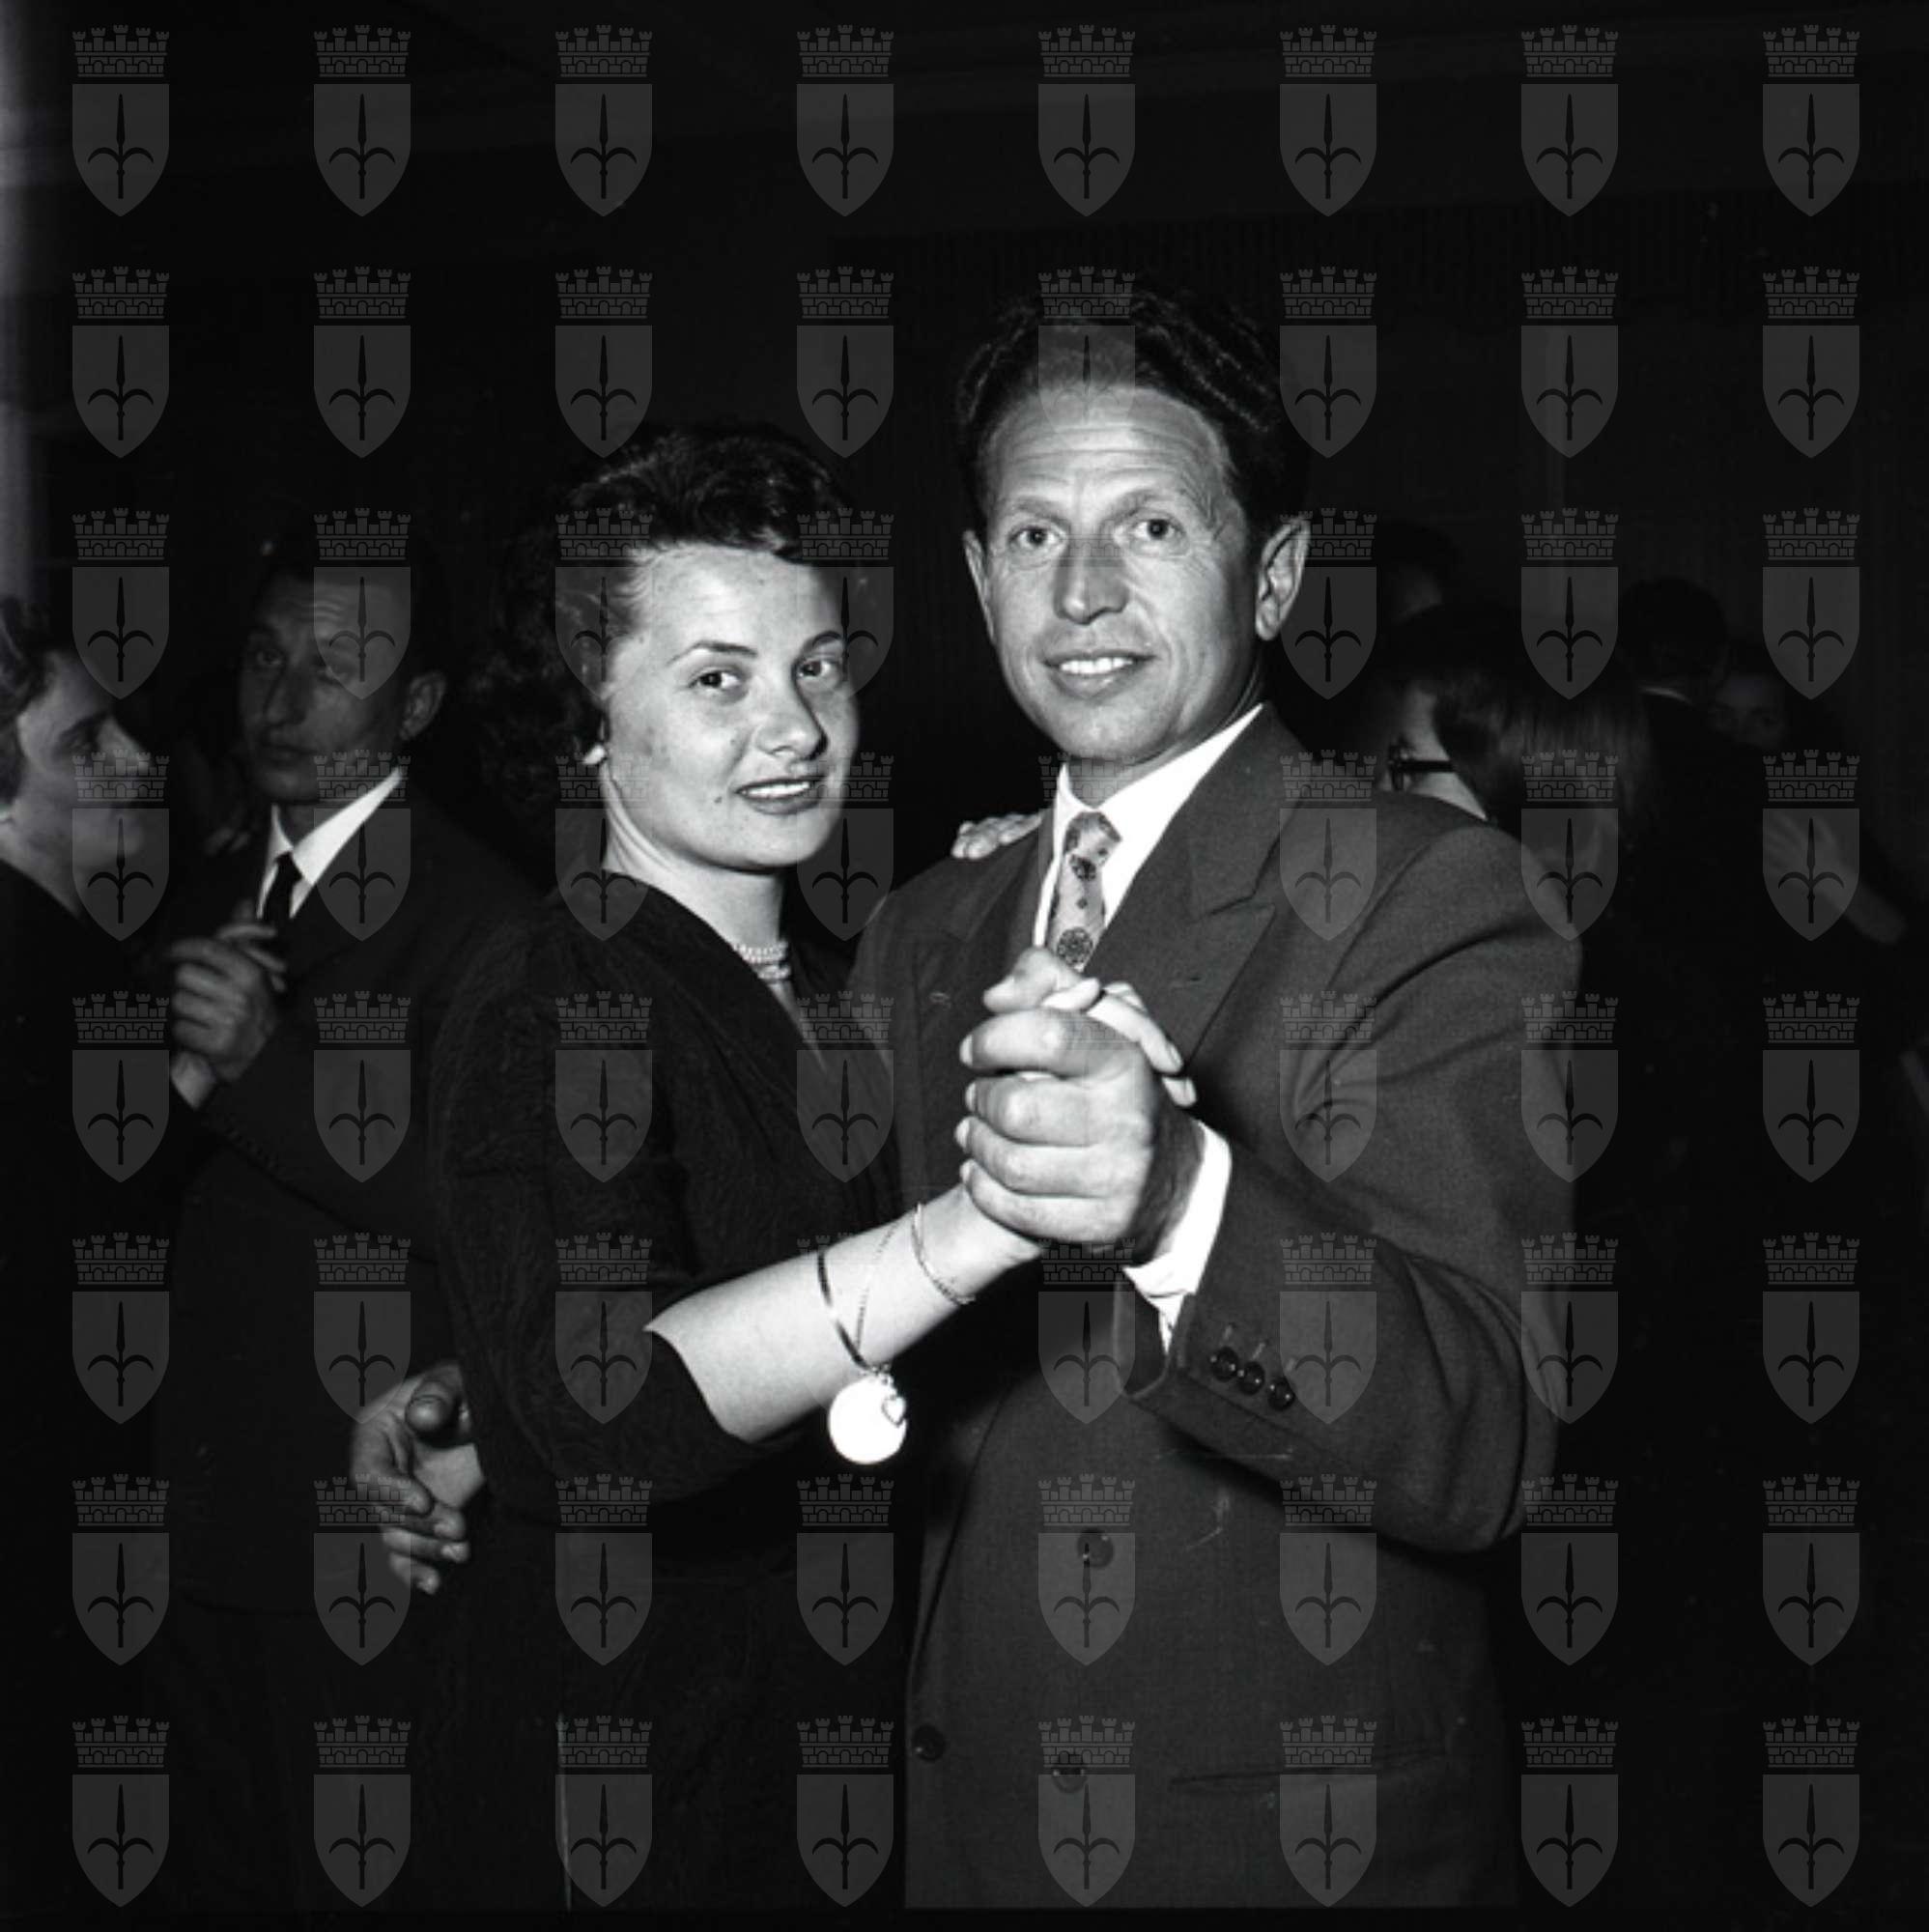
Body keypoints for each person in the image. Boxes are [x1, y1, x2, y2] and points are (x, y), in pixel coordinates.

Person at [366, 287, 1575, 1907]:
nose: (1081, 590)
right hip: (920, 1815)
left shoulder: (1430, 892)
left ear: (1275, 576)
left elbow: (1489, 1446)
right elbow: (795, 1258)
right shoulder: (927, 926)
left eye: (1150, 524)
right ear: (974, 576)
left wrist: (1177, 1199)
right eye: (1030, 534)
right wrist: (503, 1388)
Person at [141, 525, 533, 1911]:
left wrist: (264, 1070)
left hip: (365, 1532)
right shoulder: (199, 889)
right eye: (264, 655)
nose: (283, 696)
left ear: (415, 704)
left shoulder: (490, 917)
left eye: (336, 664)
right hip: (191, 1518)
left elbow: (499, 1214)